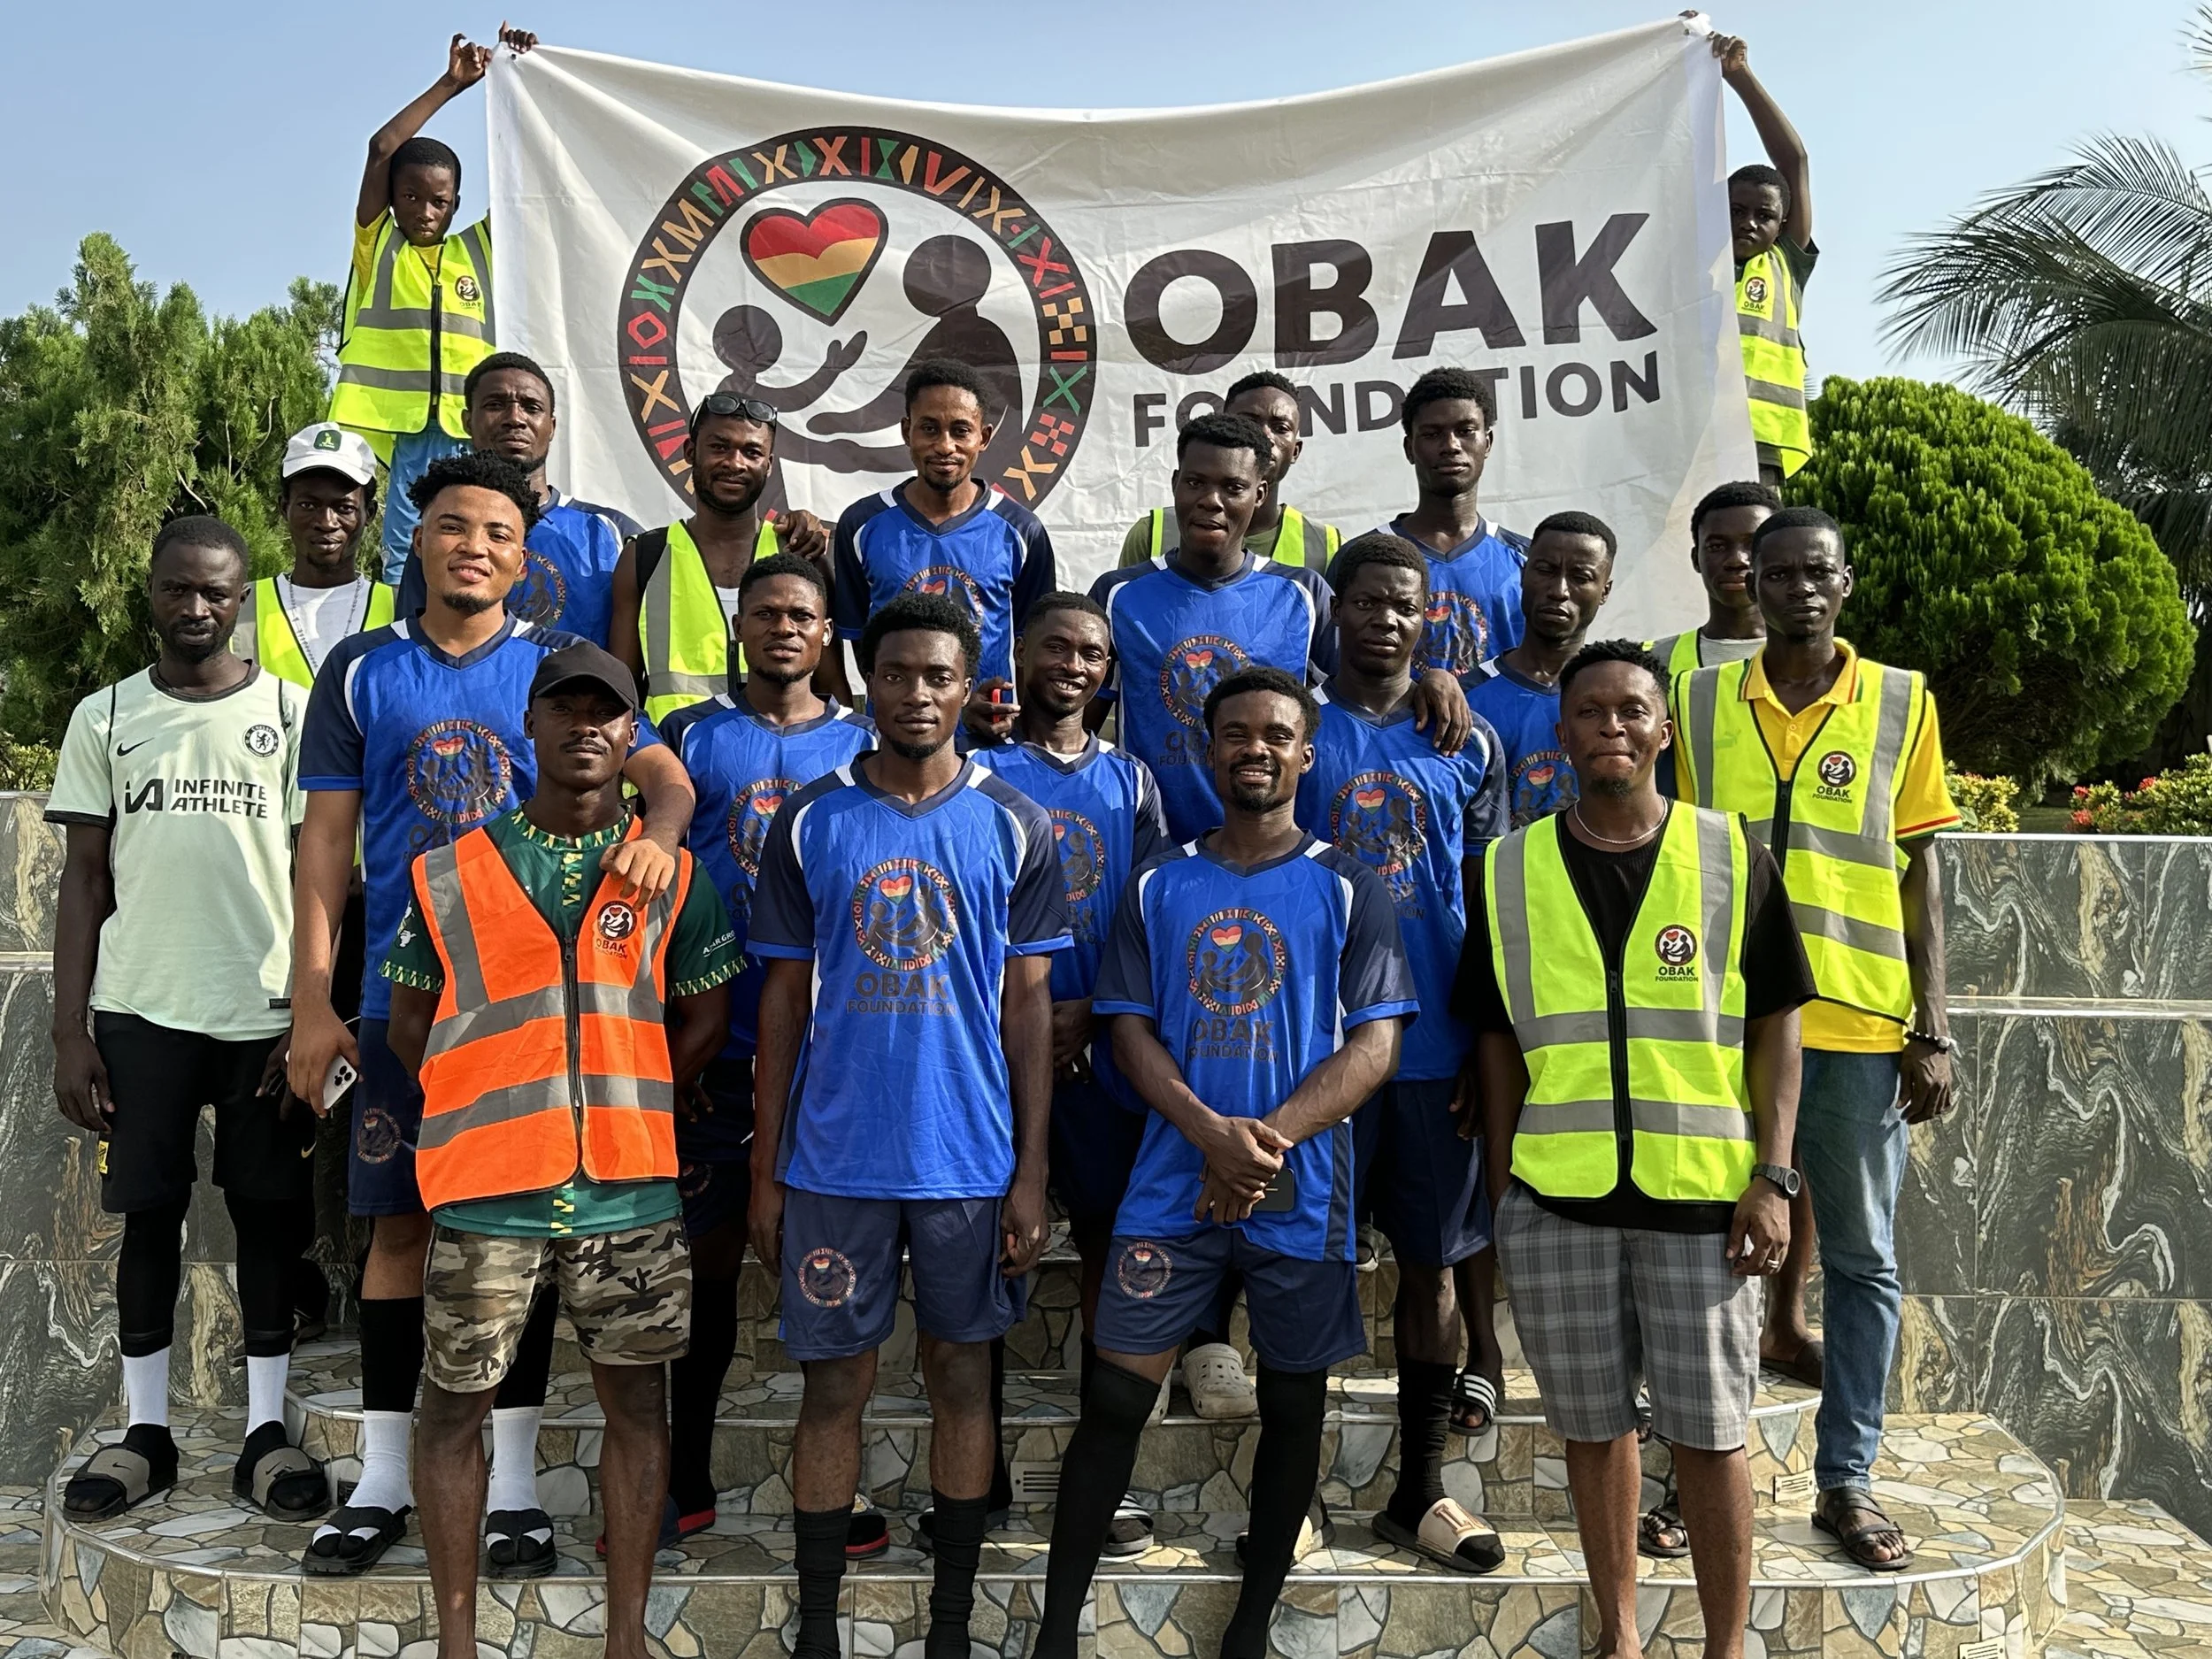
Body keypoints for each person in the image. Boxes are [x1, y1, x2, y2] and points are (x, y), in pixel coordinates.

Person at [285, 451, 698, 1578]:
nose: (475, 545)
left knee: (515, 1234)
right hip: (398, 1005)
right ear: (414, 541)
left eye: (500, 533)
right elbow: (324, 845)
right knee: (401, 1233)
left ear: (527, 558)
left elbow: (665, 780)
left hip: (532, 1014)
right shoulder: (363, 672)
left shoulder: (558, 671)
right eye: (454, 525)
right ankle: (380, 1476)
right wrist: (314, 999)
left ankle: (511, 1490)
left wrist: (657, 839)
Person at [1032, 666, 1426, 1659]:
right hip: (1172, 1185)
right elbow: (1127, 1032)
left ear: (1306, 753)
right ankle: (1055, 1631)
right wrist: (1212, 1133)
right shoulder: (1158, 884)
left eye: (1276, 734)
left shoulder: (1349, 885)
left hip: (1303, 1195)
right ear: (1209, 752)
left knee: (1291, 1404)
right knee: (1115, 1399)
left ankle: (1250, 1626)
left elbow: (1373, 1048)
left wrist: (1264, 1143)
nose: (1256, 748)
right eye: (1236, 733)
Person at [1087, 413, 1467, 1411]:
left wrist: (1425, 674)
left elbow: (1324, 693)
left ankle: (1404, 1447)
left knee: (1403, 1231)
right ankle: (1201, 1343)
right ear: (1174, 486)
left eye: (1236, 487)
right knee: (1201, 1136)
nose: (1215, 502)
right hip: (1183, 900)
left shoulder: (1301, 598)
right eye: (1198, 484)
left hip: (1334, 948)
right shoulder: (1122, 596)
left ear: (1263, 500)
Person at [381, 642, 736, 1659]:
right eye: (566, 709)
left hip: (628, 1192)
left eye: (607, 713)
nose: (586, 727)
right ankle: (456, 1639)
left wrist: (634, 1093)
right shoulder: (448, 871)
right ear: (528, 728)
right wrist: (483, 1104)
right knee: (452, 1408)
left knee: (637, 1405)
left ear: (632, 738)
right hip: (488, 1190)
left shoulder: (674, 879)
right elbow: (410, 1024)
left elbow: (704, 1020)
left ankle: (626, 1633)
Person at [1463, 638, 1813, 1659]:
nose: (1610, 728)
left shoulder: (1729, 851)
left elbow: (1777, 1026)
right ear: (1561, 733)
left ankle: (1724, 1646)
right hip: (1557, 1198)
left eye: (1630, 711)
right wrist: (1503, 1191)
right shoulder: (1507, 867)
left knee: (1710, 1437)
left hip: (1703, 1201)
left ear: (1661, 730)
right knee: (1591, 1432)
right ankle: (1616, 1637)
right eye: (1589, 713)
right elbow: (1493, 1041)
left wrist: (1774, 1179)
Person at [746, 594, 1067, 1659]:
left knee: (961, 1375)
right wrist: (768, 1171)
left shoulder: (1015, 822)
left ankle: (949, 1622)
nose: (917, 695)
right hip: (835, 1157)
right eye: (896, 674)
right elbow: (782, 1006)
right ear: (864, 680)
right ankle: (821, 1626)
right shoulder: (813, 819)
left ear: (971, 690)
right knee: (835, 1384)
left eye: (938, 677)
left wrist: (1030, 1171)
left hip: (967, 1161)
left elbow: (1029, 1008)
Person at [1672, 507, 1958, 1572]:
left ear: (1844, 585)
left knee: (1864, 1260)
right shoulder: (1696, 703)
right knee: (1697, 1255)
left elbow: (1925, 866)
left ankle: (1848, 1481)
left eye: (1815, 573)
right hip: (1719, 1027)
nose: (1794, 588)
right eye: (1775, 571)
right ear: (1750, 581)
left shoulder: (1899, 699)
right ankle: (1686, 1470)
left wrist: (1932, 1025)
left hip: (1856, 1024)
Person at [48, 517, 326, 1524]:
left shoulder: (293, 715)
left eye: (215, 591)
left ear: (242, 595)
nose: (196, 608)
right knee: (148, 1218)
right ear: (153, 592)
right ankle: (147, 1435)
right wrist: (68, 1028)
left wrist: (310, 1010)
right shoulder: (107, 717)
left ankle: (263, 1432)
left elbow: (320, 877)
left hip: (260, 1014)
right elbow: (82, 880)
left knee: (266, 1216)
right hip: (141, 1009)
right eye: (178, 590)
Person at [656, 554, 884, 1555]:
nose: (783, 627)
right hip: (715, 1036)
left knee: (837, 1274)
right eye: (765, 613)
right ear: (738, 628)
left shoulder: (870, 743)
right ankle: (686, 1471)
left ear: (826, 629)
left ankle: (840, 1486)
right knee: (706, 1275)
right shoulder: (689, 737)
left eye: (801, 613)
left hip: (839, 1053)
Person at [1293, 534, 1511, 1567]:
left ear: (1429, 619)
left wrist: (1485, 1043)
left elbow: (1486, 901)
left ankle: (1416, 1491)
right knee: (1305, 1270)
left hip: (1433, 1050)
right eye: (1367, 602)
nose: (1384, 619)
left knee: (1426, 1273)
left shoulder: (1461, 740)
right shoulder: (1294, 729)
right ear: (1334, 608)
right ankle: (1290, 1493)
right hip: (1317, 1053)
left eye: (1404, 607)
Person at [968, 592, 1169, 1555]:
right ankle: (982, 1474)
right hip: (996, 1053)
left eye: (1092, 652)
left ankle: (1106, 1482)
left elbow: (1149, 911)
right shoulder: (980, 774)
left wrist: (1093, 1009)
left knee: (1108, 1262)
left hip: (1102, 1054)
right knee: (988, 1263)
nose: (1075, 666)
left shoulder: (1131, 781)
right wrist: (1026, 1019)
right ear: (1022, 656)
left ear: (1109, 670)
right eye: (1057, 648)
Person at [331, 27, 536, 580]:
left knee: (482, 544)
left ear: (455, 205)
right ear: (393, 200)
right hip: (403, 432)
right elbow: (381, 149)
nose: (424, 210)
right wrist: (451, 83)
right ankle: (409, 640)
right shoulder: (379, 248)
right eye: (410, 197)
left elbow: (530, 180)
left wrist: (523, 79)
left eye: (438, 201)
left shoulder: (481, 250)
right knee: (407, 555)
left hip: (473, 426)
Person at [827, 359, 1056, 705]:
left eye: (961, 430)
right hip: (894, 738)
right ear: (907, 431)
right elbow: (862, 639)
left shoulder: (1022, 530)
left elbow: (1032, 645)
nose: (945, 446)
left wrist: (1012, 720)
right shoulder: (861, 524)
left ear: (984, 437)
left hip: (988, 740)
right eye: (929, 429)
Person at [394, 353, 641, 644]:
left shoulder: (613, 532)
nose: (514, 418)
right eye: (495, 405)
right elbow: (413, 649)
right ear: (467, 421)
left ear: (551, 426)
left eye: (531, 407)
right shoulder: (440, 534)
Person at [611, 396, 830, 723]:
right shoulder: (645, 557)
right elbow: (618, 697)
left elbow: (830, 690)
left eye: (752, 452)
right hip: (670, 763)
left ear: (769, 465)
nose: (735, 463)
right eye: (719, 447)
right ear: (690, 452)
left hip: (776, 767)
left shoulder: (798, 552)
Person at [1360, 368, 1529, 680]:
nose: (1451, 445)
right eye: (1432, 433)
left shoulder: (1527, 560)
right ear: (1410, 448)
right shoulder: (1363, 558)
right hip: (1404, 729)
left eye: (1465, 431)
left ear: (1487, 443)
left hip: (1507, 729)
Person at [1710, 26, 1817, 484]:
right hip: (1690, 434)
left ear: (1781, 225)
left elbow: (1794, 163)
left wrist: (1739, 77)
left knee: (1755, 551)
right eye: (1735, 210)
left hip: (1762, 443)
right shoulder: (1692, 256)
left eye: (1764, 215)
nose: (1748, 222)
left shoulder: (1784, 264)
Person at [1463, 512, 1617, 828]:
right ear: (1523, 574)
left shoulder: (1620, 699)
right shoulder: (1467, 697)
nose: (1559, 590)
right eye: (1545, 570)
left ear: (1605, 591)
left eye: (1581, 576)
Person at [1117, 372, 1341, 570]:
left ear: (1296, 451)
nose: (1265, 436)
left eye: (1280, 428)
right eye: (1248, 422)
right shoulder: (1151, 533)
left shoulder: (1326, 545)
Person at [234, 425, 396, 684]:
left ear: (370, 513)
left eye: (344, 507)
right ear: (284, 508)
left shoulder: (401, 608)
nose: (326, 521)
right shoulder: (241, 606)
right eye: (308, 505)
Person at [1646, 481, 1779, 677]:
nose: (1736, 560)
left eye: (1753, 545)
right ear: (1695, 559)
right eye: (1717, 547)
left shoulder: (1829, 661)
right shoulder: (1650, 662)